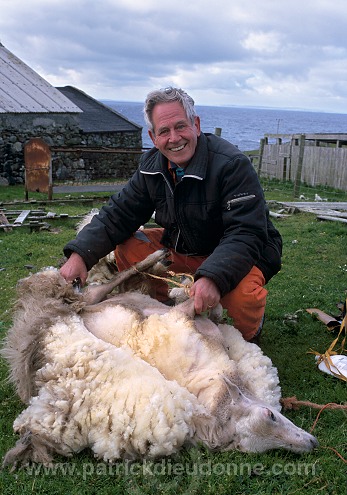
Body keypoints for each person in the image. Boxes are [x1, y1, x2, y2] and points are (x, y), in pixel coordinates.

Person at [60, 86, 282, 342]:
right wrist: (80, 255)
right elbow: (119, 214)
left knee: (238, 297)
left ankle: (249, 333)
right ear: (154, 138)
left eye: (180, 126)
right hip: (184, 245)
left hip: (241, 251)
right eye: (164, 131)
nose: (174, 138)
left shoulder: (232, 165)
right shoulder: (151, 168)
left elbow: (246, 232)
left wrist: (214, 277)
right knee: (129, 247)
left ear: (196, 125)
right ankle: (162, 307)